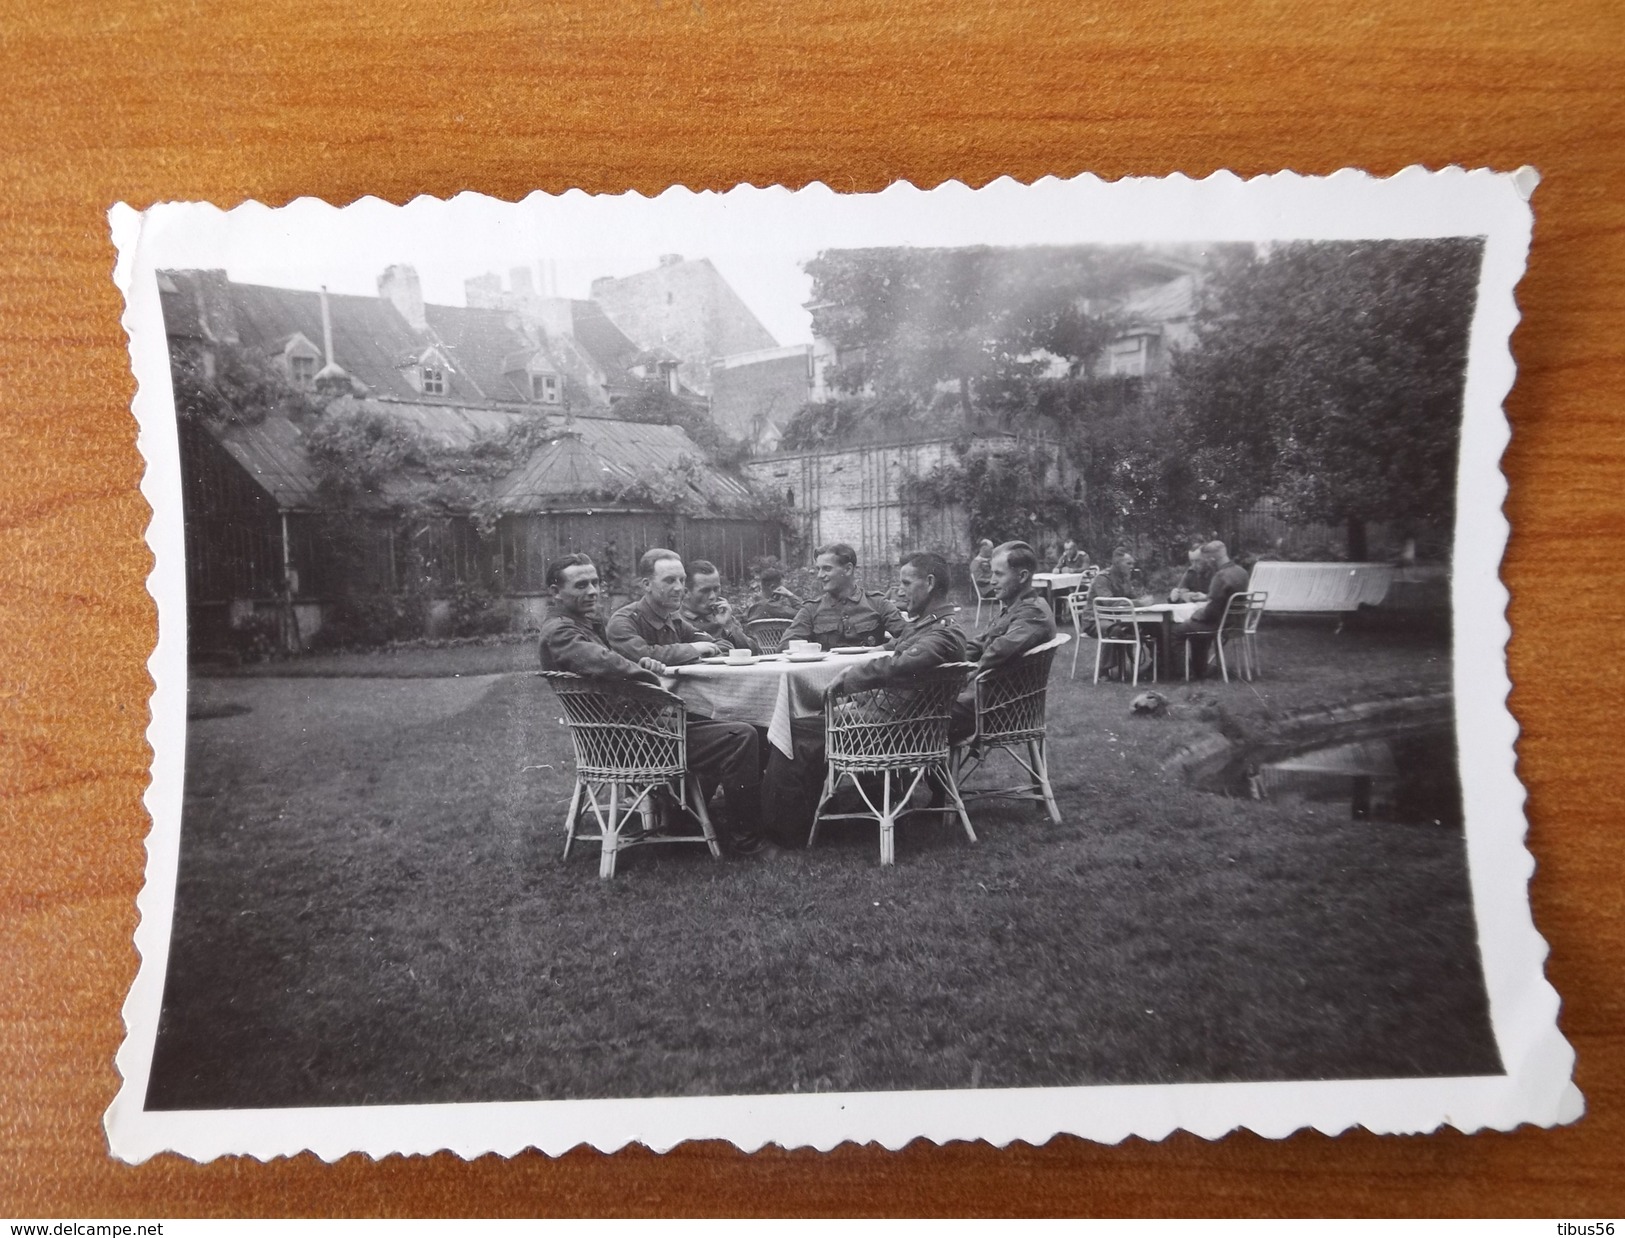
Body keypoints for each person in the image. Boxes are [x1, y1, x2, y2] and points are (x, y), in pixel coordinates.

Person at [538, 553, 765, 854]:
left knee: (743, 724)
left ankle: (687, 817)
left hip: (634, 731)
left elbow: (616, 665)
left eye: (595, 582)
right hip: (629, 742)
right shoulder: (562, 632)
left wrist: (644, 663)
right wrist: (650, 675)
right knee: (741, 736)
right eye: (581, 585)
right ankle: (747, 844)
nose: (593, 591)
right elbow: (607, 663)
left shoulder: (583, 626)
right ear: (555, 592)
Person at [762, 552, 968, 848]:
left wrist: (850, 677)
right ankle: (807, 814)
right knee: (813, 721)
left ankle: (784, 832)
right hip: (898, 720)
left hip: (891, 727)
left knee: (793, 729)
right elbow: (899, 647)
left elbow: (901, 663)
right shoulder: (929, 624)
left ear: (930, 583)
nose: (899, 590)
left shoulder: (943, 631)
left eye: (906, 583)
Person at [950, 541, 1057, 742]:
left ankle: (916, 771)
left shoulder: (1033, 612)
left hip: (1000, 708)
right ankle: (921, 771)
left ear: (1022, 576)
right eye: (991, 574)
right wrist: (951, 660)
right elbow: (981, 643)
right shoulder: (1015, 608)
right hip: (988, 699)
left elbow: (997, 651)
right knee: (916, 706)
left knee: (919, 713)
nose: (991, 581)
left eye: (999, 574)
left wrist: (960, 677)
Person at [605, 548, 730, 666]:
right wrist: (693, 649)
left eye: (682, 580)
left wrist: (700, 651)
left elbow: (721, 645)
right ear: (647, 585)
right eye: (670, 581)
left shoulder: (674, 620)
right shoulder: (624, 621)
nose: (679, 588)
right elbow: (644, 654)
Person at [783, 542, 906, 650]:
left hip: (870, 674)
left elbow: (910, 635)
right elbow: (785, 645)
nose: (820, 575)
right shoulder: (811, 610)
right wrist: (813, 651)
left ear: (848, 569)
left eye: (826, 569)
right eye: (818, 569)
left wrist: (883, 648)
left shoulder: (877, 603)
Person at [1174, 541, 1251, 678]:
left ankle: (1181, 672)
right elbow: (1224, 599)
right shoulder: (1242, 572)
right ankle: (1200, 670)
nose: (1206, 563)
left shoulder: (1220, 576)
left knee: (1177, 630)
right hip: (1235, 623)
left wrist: (1196, 614)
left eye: (1205, 559)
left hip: (1219, 624)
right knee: (1196, 627)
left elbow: (1211, 612)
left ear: (1212, 558)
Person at [681, 558, 757, 653]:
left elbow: (754, 652)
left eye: (716, 589)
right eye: (705, 591)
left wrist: (729, 627)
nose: (712, 596)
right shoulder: (677, 620)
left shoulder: (723, 615)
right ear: (686, 592)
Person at [1169, 537, 1214, 602]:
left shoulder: (1216, 571)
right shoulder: (1191, 572)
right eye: (1192, 561)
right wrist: (1175, 597)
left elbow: (1224, 598)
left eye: (1198, 561)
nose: (1194, 565)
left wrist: (1206, 597)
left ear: (1207, 558)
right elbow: (1181, 591)